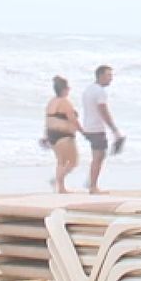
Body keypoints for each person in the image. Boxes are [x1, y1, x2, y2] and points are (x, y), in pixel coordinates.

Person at [80, 64, 124, 195]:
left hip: (88, 126)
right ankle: (93, 187)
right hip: (96, 128)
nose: (111, 78)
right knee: (98, 157)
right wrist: (114, 129)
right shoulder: (100, 91)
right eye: (108, 75)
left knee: (98, 156)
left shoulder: (89, 89)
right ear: (100, 76)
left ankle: (91, 181)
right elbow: (103, 111)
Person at [42, 75, 82, 193]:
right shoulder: (65, 102)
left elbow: (48, 120)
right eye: (68, 88)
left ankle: (60, 186)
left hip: (52, 134)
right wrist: (83, 131)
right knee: (73, 162)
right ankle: (58, 182)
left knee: (61, 161)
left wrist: (45, 136)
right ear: (64, 89)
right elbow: (73, 119)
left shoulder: (51, 102)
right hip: (64, 135)